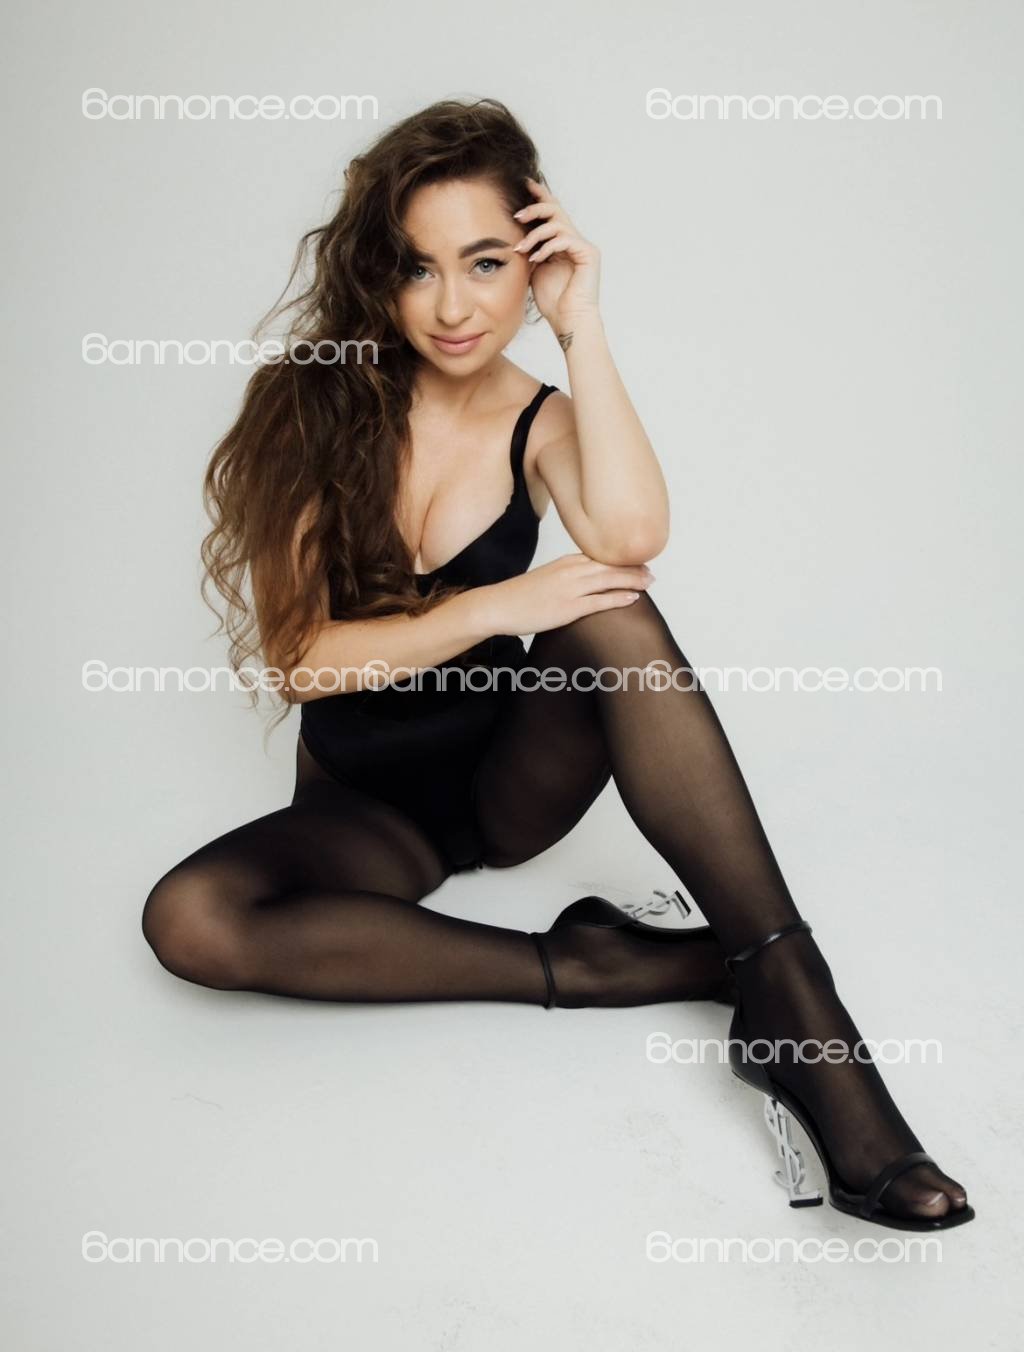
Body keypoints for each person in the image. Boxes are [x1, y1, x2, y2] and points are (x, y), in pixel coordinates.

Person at [141, 97, 973, 1231]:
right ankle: (602, 965)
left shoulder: (542, 419)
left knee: (615, 617)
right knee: (190, 919)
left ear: (533, 261)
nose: (453, 306)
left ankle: (799, 1006)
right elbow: (300, 661)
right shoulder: (307, 403)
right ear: (377, 273)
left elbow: (629, 539)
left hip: (505, 786)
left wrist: (582, 326)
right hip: (366, 805)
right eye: (419, 267)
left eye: (487, 263)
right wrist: (496, 602)